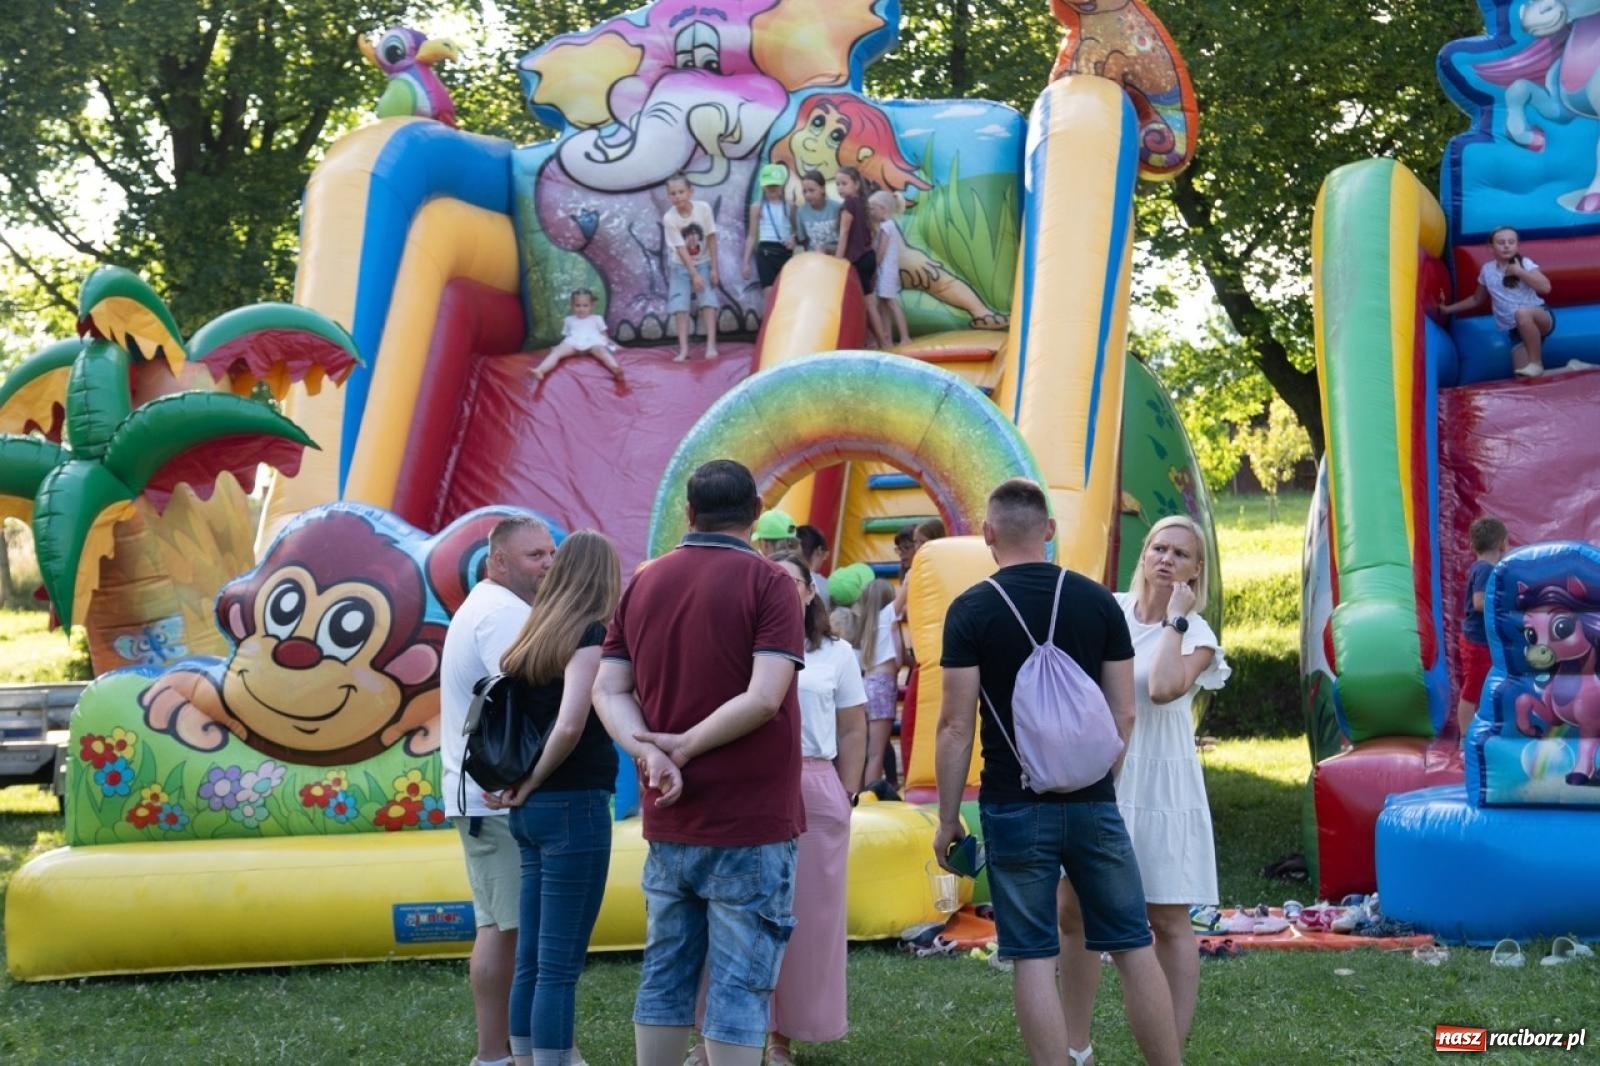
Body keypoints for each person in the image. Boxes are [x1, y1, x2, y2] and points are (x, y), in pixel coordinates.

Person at [933, 478, 1180, 1066]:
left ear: (988, 535)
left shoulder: (969, 610)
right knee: (1132, 945)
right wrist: (1097, 784)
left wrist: (947, 820)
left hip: (1013, 804)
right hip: (1094, 801)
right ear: (1048, 531)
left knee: (1034, 956)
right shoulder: (1098, 601)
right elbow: (1125, 711)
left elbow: (954, 726)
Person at [593, 459, 806, 1066]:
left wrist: (648, 751)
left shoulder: (644, 581)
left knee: (665, 973)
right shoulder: (770, 584)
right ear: (757, 513)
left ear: (689, 513)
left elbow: (608, 690)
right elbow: (765, 698)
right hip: (751, 819)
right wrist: (680, 747)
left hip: (670, 816)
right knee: (741, 983)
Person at [1058, 515, 1230, 1063]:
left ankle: (1166, 1053)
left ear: (1196, 571)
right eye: (1159, 548)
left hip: (1162, 783)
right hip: (1103, 775)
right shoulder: (1107, 609)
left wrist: (1175, 622)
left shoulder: (1196, 634)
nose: (1166, 559)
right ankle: (1074, 1046)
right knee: (1073, 910)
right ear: (1144, 553)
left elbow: (1160, 688)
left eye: (1181, 554)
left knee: (1167, 921)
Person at [483, 530, 622, 1066]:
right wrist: (536, 779)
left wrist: (524, 786)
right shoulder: (589, 634)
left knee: (534, 963)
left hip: (531, 814)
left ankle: (524, 1058)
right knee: (560, 967)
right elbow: (569, 727)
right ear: (604, 578)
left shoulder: (532, 634)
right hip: (573, 804)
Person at [442, 516, 557, 1066]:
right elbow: (529, 696)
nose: (548, 564)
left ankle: (498, 1052)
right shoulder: (502, 614)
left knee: (500, 927)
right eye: (535, 555)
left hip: (482, 794)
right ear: (499, 562)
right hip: (496, 796)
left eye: (551, 552)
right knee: (514, 931)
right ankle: (502, 1053)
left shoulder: (490, 607)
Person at [765, 552, 867, 1065]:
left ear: (810, 591)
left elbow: (853, 727)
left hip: (814, 782)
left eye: (792, 582)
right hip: (754, 783)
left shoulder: (835, 653)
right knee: (737, 908)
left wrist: (846, 793)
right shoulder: (743, 643)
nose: (782, 589)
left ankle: (782, 1036)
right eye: (772, 580)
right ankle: (723, 1031)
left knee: (809, 917)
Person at [1438, 225, 1576, 378]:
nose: (1506, 246)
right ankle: (1572, 369)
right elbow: (1476, 299)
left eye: (1511, 242)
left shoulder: (1524, 263)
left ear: (1517, 246)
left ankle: (1535, 363)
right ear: (1491, 247)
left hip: (1540, 317)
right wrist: (1447, 310)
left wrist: (1519, 272)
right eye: (1501, 242)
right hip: (1515, 329)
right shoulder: (1487, 270)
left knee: (1522, 313)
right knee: (1524, 379)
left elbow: (1546, 288)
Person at [1456, 515, 1508, 739]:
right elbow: (1478, 602)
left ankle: (1482, 729)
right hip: (1476, 641)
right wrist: (1501, 605)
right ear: (1502, 544)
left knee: (1485, 686)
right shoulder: (1485, 569)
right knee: (1472, 690)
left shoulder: (1483, 568)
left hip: (1479, 640)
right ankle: (1465, 736)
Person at [663, 173, 720, 362]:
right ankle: (684, 349)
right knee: (681, 307)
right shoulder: (669, 218)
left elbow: (711, 237)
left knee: (708, 302)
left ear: (690, 192)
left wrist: (713, 268)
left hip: (703, 261)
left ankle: (711, 345)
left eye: (681, 192)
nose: (678, 196)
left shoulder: (703, 209)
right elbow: (680, 248)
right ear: (668, 196)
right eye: (673, 193)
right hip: (681, 265)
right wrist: (694, 274)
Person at [832, 166, 887, 348]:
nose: (840, 188)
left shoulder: (849, 204)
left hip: (857, 259)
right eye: (837, 184)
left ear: (855, 184)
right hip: (868, 257)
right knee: (869, 304)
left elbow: (844, 233)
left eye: (844, 183)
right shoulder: (862, 202)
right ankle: (881, 343)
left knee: (865, 305)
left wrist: (838, 263)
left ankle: (879, 343)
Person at [854, 577, 900, 790]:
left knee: (867, 752)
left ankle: (860, 795)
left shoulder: (869, 625)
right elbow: (906, 590)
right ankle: (869, 803)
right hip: (882, 686)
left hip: (868, 684)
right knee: (876, 754)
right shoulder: (886, 617)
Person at [530, 289, 625, 384]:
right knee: (556, 353)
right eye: (577, 305)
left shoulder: (597, 318)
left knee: (602, 351)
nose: (581, 309)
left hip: (593, 343)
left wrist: (613, 345)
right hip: (573, 343)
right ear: (572, 306)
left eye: (585, 305)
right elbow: (567, 336)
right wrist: (559, 347)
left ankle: (615, 368)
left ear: (592, 306)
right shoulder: (569, 320)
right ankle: (540, 370)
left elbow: (604, 335)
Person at [744, 163, 796, 301]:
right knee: (769, 293)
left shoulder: (790, 206)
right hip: (765, 252)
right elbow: (751, 236)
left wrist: (793, 238)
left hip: (784, 251)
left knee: (786, 293)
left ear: (782, 185)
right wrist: (745, 262)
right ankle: (768, 321)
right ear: (763, 186)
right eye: (769, 185)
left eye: (775, 185)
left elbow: (797, 230)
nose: (772, 188)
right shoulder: (757, 207)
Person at [868, 191, 910, 347]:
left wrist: (874, 264)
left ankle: (905, 335)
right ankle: (888, 338)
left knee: (890, 302)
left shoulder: (887, 226)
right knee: (884, 303)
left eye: (873, 209)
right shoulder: (886, 225)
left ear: (883, 209)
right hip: (885, 269)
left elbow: (882, 250)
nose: (871, 212)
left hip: (886, 269)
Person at [793, 169, 841, 256]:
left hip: (836, 257)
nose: (807, 195)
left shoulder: (837, 208)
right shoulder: (801, 212)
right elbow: (803, 239)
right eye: (804, 191)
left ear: (822, 189)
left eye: (811, 190)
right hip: (814, 259)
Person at [795, 524, 831, 607]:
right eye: (825, 555)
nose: (824, 559)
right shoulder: (824, 587)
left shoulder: (782, 574)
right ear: (819, 550)